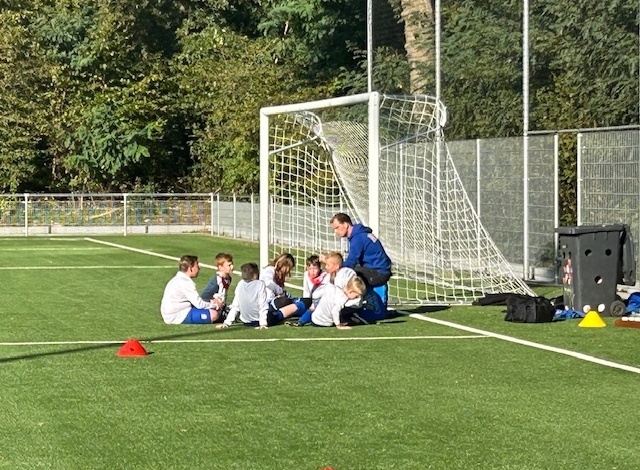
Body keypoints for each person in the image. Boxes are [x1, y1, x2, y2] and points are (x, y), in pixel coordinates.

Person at [217, 262, 303, 329]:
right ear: (255, 275)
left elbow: (236, 305)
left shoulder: (240, 284)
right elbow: (263, 305)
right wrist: (263, 323)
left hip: (246, 322)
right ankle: (301, 307)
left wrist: (227, 322)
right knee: (297, 305)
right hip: (259, 320)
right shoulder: (259, 284)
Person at [329, 213, 392, 288]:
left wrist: (336, 268)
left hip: (379, 272)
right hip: (378, 269)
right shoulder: (359, 234)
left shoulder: (357, 238)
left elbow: (351, 262)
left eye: (337, 227)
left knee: (346, 278)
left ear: (346, 225)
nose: (336, 231)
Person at [160, 255, 223, 324]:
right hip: (178, 315)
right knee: (214, 314)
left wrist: (211, 302)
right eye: (197, 265)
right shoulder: (185, 282)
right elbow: (199, 304)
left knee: (209, 306)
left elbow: (196, 301)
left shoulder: (177, 279)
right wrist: (215, 305)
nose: (199, 268)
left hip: (171, 313)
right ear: (191, 269)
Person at [296, 276, 366, 329]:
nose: (355, 298)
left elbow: (316, 294)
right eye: (356, 296)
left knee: (313, 307)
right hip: (324, 322)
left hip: (314, 317)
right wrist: (338, 325)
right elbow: (334, 311)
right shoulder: (342, 298)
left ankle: (301, 321)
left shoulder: (332, 288)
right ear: (350, 291)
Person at [200, 253, 234, 319]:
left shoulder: (228, 278)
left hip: (221, 307)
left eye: (232, 264)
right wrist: (215, 300)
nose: (232, 267)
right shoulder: (216, 280)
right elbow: (204, 295)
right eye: (229, 265)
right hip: (213, 307)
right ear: (220, 267)